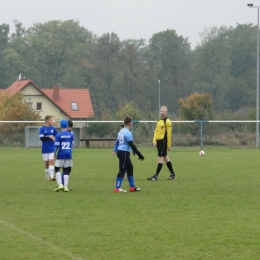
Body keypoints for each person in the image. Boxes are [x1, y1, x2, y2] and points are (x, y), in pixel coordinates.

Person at [113, 116, 145, 193]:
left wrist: (115, 150)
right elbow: (131, 144)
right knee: (122, 170)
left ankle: (132, 187)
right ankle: (117, 188)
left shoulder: (121, 131)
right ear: (131, 124)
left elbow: (117, 142)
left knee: (130, 168)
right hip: (124, 153)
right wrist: (139, 154)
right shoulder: (128, 133)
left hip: (121, 152)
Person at [147, 106, 177, 181]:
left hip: (164, 141)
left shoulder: (167, 121)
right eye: (161, 111)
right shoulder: (158, 121)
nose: (162, 112)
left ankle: (156, 175)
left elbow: (169, 134)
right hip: (159, 141)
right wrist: (154, 140)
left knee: (160, 157)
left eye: (163, 111)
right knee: (165, 157)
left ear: (166, 112)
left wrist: (169, 145)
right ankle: (172, 174)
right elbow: (156, 131)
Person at [53, 119, 74, 192]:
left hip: (61, 154)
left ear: (60, 126)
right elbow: (71, 144)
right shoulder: (71, 135)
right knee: (66, 170)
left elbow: (57, 146)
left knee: (56, 168)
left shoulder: (58, 135)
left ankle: (60, 184)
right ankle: (65, 187)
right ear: (67, 126)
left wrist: (54, 153)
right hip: (69, 154)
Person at [39, 115, 58, 180]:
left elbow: (57, 136)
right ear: (47, 121)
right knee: (46, 162)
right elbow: (41, 138)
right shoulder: (42, 129)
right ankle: (47, 176)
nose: (52, 121)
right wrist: (49, 137)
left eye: (52, 120)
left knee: (51, 162)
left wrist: (56, 139)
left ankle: (52, 177)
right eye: (51, 120)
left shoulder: (53, 129)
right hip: (45, 149)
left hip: (52, 148)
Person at [61, 120, 73, 187]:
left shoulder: (71, 133)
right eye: (68, 127)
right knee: (66, 169)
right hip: (63, 154)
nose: (69, 128)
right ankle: (61, 184)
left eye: (70, 127)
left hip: (69, 153)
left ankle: (63, 184)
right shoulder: (63, 134)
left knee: (68, 169)